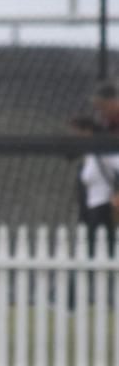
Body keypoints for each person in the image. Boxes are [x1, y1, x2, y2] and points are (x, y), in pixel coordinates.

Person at [71, 81, 119, 257]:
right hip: (92, 199)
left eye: (102, 106)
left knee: (102, 240)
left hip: (104, 199)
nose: (100, 111)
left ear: (113, 101)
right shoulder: (104, 126)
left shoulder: (108, 135)